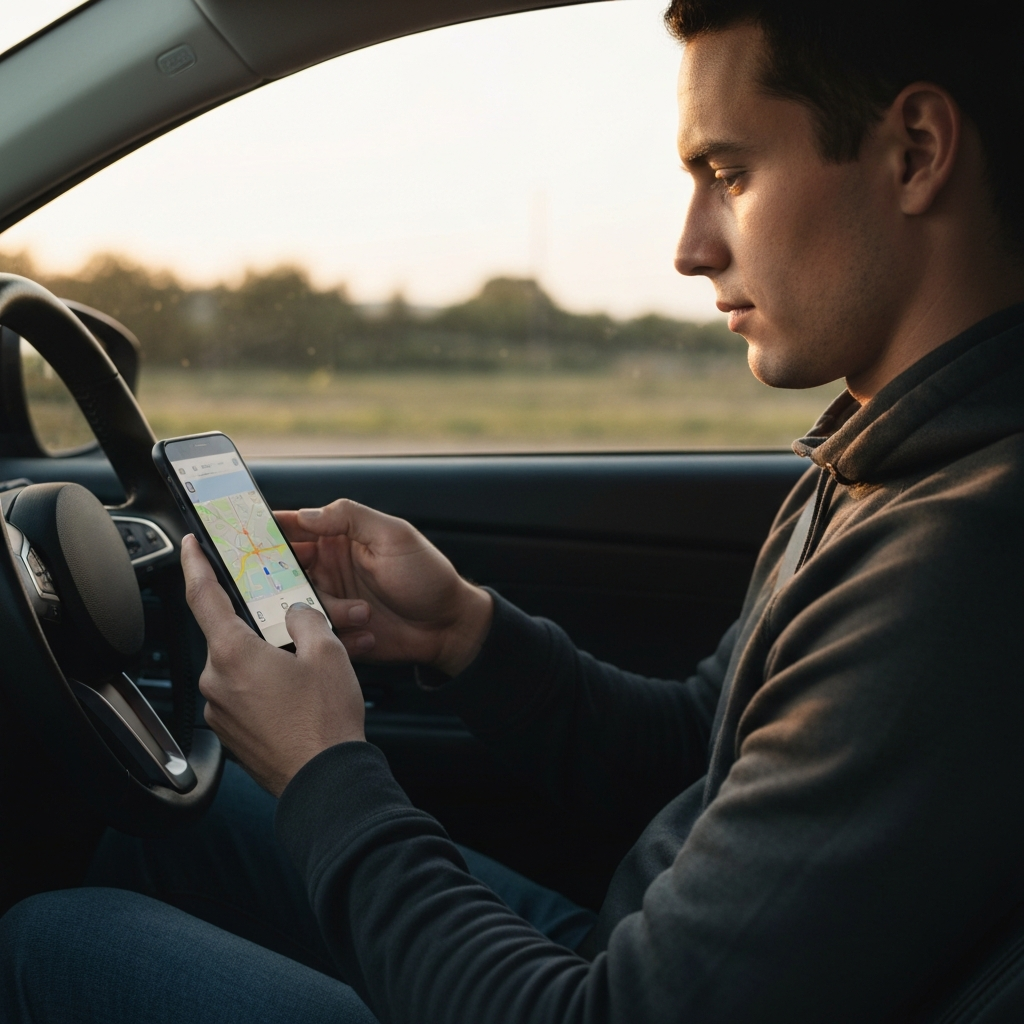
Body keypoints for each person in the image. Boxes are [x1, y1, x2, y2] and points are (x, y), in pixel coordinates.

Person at [4, 0, 1024, 1020]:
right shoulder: (876, 462)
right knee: (157, 818)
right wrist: (463, 631)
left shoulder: (958, 566)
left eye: (728, 175)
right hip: (623, 951)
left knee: (51, 944)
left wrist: (325, 770)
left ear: (914, 151)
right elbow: (694, 756)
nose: (688, 247)